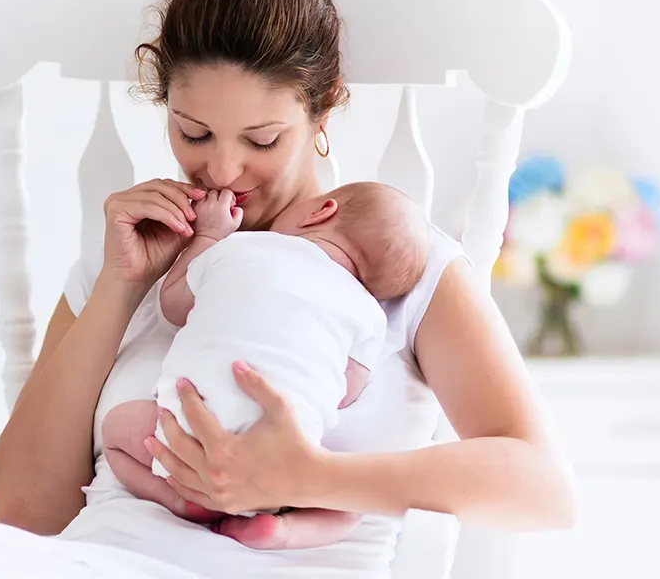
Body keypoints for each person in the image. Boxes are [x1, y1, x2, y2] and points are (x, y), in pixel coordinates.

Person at [0, 0, 574, 579]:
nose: (222, 169)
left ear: (323, 110)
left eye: (261, 138)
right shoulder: (138, 252)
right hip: (98, 561)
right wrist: (121, 286)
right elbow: (24, 511)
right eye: (193, 134)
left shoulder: (395, 261)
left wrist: (305, 478)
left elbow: (541, 491)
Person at [101, 182, 431, 550]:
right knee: (348, 511)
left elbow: (174, 304)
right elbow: (346, 391)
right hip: (286, 461)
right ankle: (283, 530)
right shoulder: (370, 315)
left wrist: (209, 235)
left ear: (321, 211)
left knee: (114, 431)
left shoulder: (239, 248)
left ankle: (179, 499)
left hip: (183, 434)